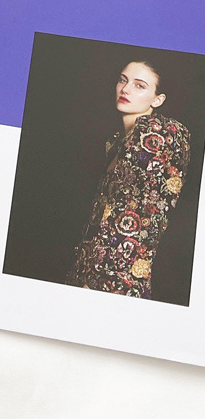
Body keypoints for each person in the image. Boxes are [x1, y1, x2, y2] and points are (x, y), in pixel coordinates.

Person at [67, 60, 191, 298]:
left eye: (139, 85)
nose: (125, 89)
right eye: (123, 80)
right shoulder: (116, 143)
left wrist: (100, 283)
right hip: (85, 271)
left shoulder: (164, 131)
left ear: (158, 100)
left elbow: (142, 215)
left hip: (117, 279)